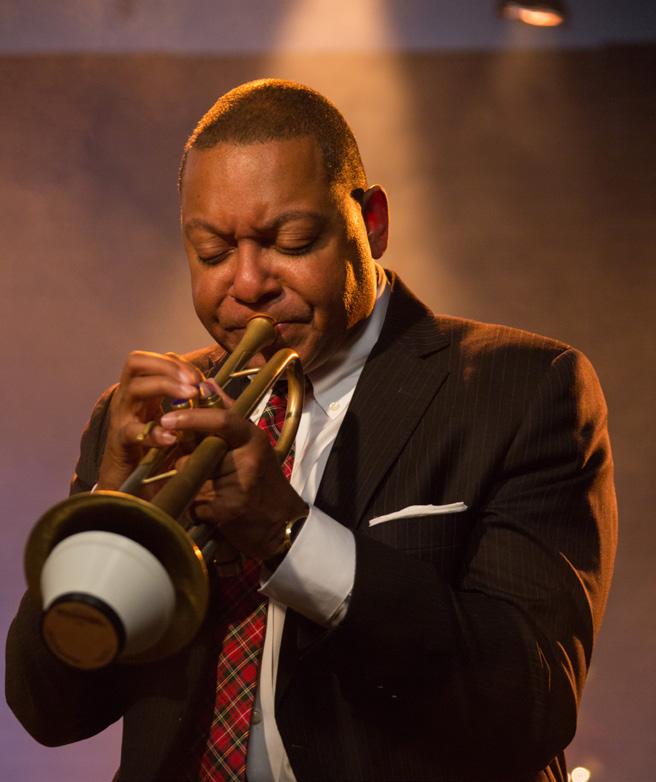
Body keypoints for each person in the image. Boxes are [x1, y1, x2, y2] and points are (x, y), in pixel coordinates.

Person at [6, 79, 617, 782]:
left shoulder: (525, 390)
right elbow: (48, 712)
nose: (247, 283)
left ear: (372, 223)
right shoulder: (140, 416)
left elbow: (530, 704)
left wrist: (286, 533)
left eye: (290, 241)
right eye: (211, 252)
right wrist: (109, 514)